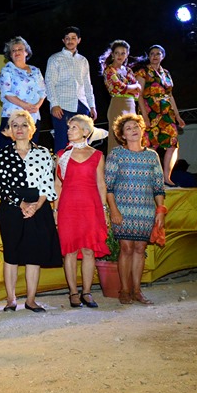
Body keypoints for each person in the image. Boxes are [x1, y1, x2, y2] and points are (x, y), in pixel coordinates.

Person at [0, 110, 61, 312]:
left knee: (34, 255)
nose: (19, 129)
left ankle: (31, 300)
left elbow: (47, 184)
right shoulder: (4, 153)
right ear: (9, 130)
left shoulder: (43, 153)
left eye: (24, 125)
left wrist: (36, 206)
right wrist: (21, 204)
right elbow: (0, 185)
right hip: (11, 208)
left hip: (38, 207)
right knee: (11, 254)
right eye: (15, 125)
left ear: (32, 129)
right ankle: (11, 300)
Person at [105, 113, 166, 305]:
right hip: (122, 209)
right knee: (126, 248)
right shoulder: (116, 154)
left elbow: (158, 187)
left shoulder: (152, 156)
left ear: (142, 130)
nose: (133, 130)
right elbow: (108, 186)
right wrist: (114, 210)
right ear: (122, 135)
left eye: (136, 126)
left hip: (146, 210)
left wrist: (160, 211)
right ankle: (124, 290)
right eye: (128, 128)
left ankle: (137, 291)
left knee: (140, 248)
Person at [55, 114, 110, 309]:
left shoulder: (97, 155)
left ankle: (87, 292)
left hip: (91, 207)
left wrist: (104, 209)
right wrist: (55, 209)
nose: (69, 131)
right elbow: (57, 184)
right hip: (68, 208)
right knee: (69, 251)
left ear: (86, 131)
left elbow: (101, 184)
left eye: (74, 127)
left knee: (88, 250)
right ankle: (73, 292)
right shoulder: (62, 155)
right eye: (69, 128)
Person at [134, 45, 186, 186]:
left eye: (158, 53)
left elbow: (170, 95)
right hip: (150, 111)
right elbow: (139, 95)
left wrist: (177, 116)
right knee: (151, 144)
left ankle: (166, 177)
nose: (155, 56)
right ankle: (148, 178)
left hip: (166, 113)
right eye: (152, 53)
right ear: (149, 56)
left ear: (163, 56)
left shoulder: (166, 73)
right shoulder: (143, 72)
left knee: (172, 144)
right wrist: (144, 116)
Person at [45, 26, 97, 153]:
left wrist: (92, 106)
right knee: (62, 142)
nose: (70, 41)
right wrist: (54, 104)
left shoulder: (83, 60)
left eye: (73, 38)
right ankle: (60, 166)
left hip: (81, 104)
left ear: (79, 40)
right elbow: (49, 83)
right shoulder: (55, 59)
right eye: (67, 38)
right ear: (63, 40)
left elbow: (87, 84)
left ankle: (82, 165)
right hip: (62, 105)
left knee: (83, 141)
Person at [0, 36, 45, 149]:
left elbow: (43, 91)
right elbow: (6, 93)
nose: (17, 52)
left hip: (32, 118)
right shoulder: (6, 70)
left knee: (31, 151)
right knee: (9, 152)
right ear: (10, 54)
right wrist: (25, 105)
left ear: (26, 52)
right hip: (12, 117)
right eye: (13, 50)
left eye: (20, 49)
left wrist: (37, 106)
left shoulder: (36, 71)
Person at [99, 39, 141, 154]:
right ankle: (114, 164)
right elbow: (119, 87)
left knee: (132, 137)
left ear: (127, 54)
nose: (120, 56)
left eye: (123, 53)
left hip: (131, 105)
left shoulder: (128, 70)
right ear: (112, 54)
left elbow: (137, 92)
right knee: (116, 137)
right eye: (117, 53)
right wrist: (134, 86)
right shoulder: (109, 70)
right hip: (118, 104)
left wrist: (131, 88)